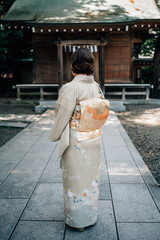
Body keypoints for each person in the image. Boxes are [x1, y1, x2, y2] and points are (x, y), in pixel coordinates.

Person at [48, 47, 109, 231]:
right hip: (94, 138)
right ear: (91, 66)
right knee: (90, 179)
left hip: (76, 141)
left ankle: (79, 222)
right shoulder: (95, 86)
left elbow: (62, 114)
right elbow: (101, 111)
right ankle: (90, 217)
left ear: (73, 67)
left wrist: (55, 134)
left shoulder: (70, 87)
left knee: (75, 179)